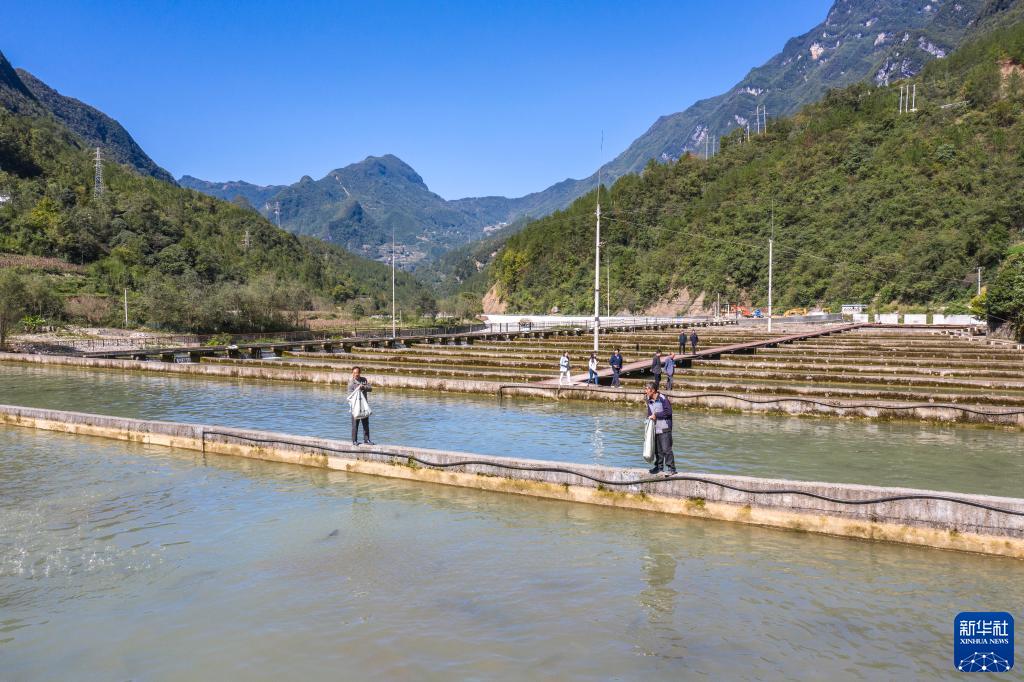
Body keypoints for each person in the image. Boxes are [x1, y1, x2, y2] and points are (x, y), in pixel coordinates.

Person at [644, 382, 676, 475]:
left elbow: (668, 412)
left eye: (647, 389)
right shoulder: (648, 400)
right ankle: (659, 467)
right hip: (655, 428)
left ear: (653, 390)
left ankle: (671, 469)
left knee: (666, 449)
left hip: (665, 428)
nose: (645, 391)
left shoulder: (663, 398)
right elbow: (650, 413)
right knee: (658, 450)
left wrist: (656, 415)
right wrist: (648, 420)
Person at [347, 366, 373, 445]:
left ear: (359, 373)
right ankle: (354, 441)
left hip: (364, 406)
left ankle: (367, 440)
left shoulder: (364, 380)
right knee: (355, 424)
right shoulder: (351, 383)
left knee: (366, 424)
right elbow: (349, 396)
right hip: (355, 407)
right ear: (352, 374)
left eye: (357, 373)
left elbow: (370, 388)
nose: (356, 374)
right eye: (354, 373)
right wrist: (357, 389)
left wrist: (363, 387)